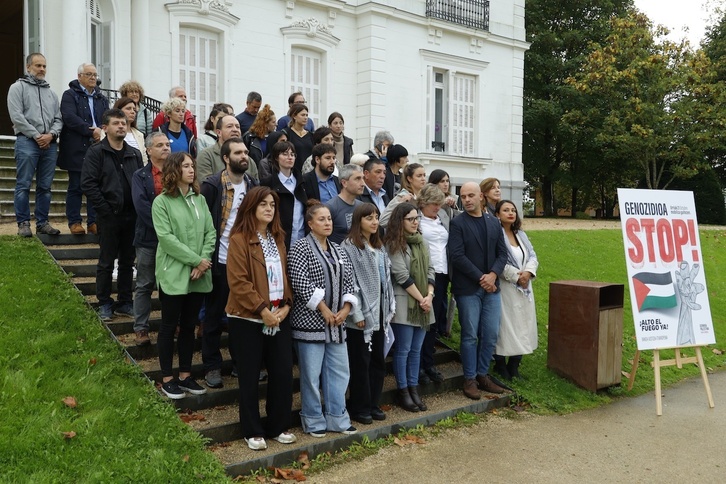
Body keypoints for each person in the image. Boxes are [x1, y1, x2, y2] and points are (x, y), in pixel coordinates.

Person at [225, 186, 296, 451]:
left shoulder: (278, 238)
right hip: (248, 318)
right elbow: (239, 282)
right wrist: (262, 311)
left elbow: (285, 277)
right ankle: (252, 430)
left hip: (278, 315)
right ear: (251, 207)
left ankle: (278, 425)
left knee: (281, 373)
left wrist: (286, 306)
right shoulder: (239, 239)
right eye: (263, 204)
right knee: (250, 375)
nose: (269, 208)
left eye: (273, 205)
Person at [287, 201, 358, 437]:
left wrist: (347, 308)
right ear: (310, 223)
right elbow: (300, 283)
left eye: (329, 219)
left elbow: (350, 282)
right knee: (311, 375)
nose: (327, 222)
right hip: (311, 324)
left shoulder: (338, 249)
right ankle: (314, 420)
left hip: (337, 324)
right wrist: (324, 309)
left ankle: (338, 418)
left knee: (340, 372)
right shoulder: (299, 248)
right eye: (321, 219)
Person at [151, 152, 215, 399]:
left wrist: (202, 262)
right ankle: (168, 378)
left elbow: (210, 232)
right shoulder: (162, 202)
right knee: (169, 326)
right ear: (174, 170)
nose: (191, 170)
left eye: (192, 166)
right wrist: (195, 260)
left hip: (199, 274)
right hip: (174, 273)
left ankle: (186, 376)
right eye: (186, 166)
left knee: (189, 326)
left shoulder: (199, 200)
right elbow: (167, 239)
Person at [200, 138, 258, 388]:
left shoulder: (253, 184)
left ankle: (239, 364)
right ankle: (212, 367)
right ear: (225, 158)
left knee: (242, 318)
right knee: (213, 317)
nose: (244, 156)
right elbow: (203, 224)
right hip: (220, 261)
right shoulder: (213, 185)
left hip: (245, 263)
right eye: (238, 153)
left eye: (245, 152)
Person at [81, 108, 143, 320]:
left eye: (123, 123)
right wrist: (105, 210)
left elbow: (139, 182)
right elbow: (88, 184)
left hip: (131, 216)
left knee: (127, 261)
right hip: (108, 216)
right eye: (116, 123)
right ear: (105, 128)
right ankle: (105, 303)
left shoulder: (134, 154)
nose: (121, 126)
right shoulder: (96, 152)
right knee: (106, 262)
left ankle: (125, 302)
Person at [448, 182, 508, 399]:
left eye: (471, 195)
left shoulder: (493, 222)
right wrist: (481, 277)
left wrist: (492, 275)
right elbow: (456, 255)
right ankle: (470, 378)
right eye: (463, 196)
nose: (467, 200)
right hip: (468, 288)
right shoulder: (458, 223)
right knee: (470, 335)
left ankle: (483, 374)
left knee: (490, 334)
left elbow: (502, 254)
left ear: (481, 197)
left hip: (492, 288)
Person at [341, 203, 395, 424]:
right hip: (361, 317)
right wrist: (358, 313)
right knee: (360, 363)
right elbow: (350, 281)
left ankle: (373, 403)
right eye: (368, 218)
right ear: (358, 221)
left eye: (376, 217)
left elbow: (385, 280)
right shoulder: (349, 246)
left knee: (377, 362)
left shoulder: (379, 247)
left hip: (380, 314)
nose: (374, 222)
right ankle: (359, 407)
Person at [384, 202, 434, 413]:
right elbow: (401, 275)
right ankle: (403, 391)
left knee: (416, 351)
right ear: (400, 221)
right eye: (411, 219)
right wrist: (422, 298)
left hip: (424, 303)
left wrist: (429, 296)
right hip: (406, 302)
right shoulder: (394, 244)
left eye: (417, 218)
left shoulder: (422, 242)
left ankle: (414, 389)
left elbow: (431, 270)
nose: (415, 222)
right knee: (403, 350)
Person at [58, 63, 109, 235]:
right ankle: (75, 222)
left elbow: (107, 118)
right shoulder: (70, 95)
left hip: (98, 145)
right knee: (76, 186)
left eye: (95, 75)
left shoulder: (102, 98)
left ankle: (94, 222)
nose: (93, 78)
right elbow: (69, 117)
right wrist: (91, 130)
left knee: (97, 186)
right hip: (77, 146)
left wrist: (103, 131)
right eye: (89, 74)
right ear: (79, 76)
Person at [131, 132, 170, 346]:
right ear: (148, 150)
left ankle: (171, 324)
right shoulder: (140, 175)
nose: (165, 148)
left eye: (167, 144)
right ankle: (141, 328)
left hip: (173, 240)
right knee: (145, 284)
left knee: (169, 285)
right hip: (148, 238)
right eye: (160, 145)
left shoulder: (177, 173)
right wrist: (163, 229)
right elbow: (141, 206)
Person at [492, 200, 538, 380]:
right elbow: (496, 260)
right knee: (506, 326)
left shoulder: (521, 235)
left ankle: (515, 364)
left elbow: (532, 255)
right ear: (497, 214)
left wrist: (527, 273)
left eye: (513, 210)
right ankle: (501, 364)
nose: (510, 213)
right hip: (507, 287)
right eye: (505, 210)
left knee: (523, 325)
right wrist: (516, 276)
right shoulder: (496, 235)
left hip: (525, 287)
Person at [417, 184, 449, 384]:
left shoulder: (443, 218)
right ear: (423, 203)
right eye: (433, 204)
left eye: (439, 204)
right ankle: (419, 365)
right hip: (424, 274)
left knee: (434, 323)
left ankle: (429, 363)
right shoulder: (416, 219)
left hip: (443, 274)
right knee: (424, 323)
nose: (437, 207)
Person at [260, 141, 307, 251]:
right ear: (276, 157)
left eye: (292, 154)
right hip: (277, 239)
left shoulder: (303, 182)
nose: (290, 157)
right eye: (285, 154)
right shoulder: (268, 183)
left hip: (302, 240)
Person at [325, 163, 364, 244]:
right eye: (357, 179)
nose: (363, 183)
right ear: (344, 183)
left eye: (363, 178)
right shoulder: (331, 207)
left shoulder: (362, 207)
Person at [380, 162, 426, 228]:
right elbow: (383, 221)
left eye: (424, 175)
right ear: (409, 179)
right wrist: (400, 203)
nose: (423, 179)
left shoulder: (423, 197)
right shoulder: (403, 196)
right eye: (419, 176)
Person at [110, 97, 147, 165]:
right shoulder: (108, 132)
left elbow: (144, 159)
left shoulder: (139, 134)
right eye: (128, 108)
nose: (133, 112)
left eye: (134, 109)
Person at [281, 103, 313, 172]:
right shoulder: (286, 133)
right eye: (302, 115)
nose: (305, 117)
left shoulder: (311, 135)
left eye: (307, 115)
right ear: (294, 116)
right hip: (292, 171)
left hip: (308, 172)